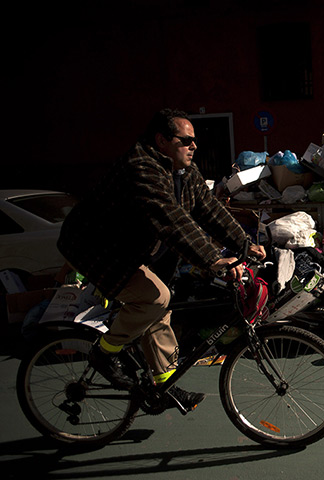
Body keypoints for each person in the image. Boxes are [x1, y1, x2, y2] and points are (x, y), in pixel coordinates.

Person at [57, 108, 266, 413]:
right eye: (186, 140)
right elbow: (171, 220)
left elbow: (210, 210)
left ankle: (164, 385)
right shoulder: (141, 168)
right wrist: (213, 260)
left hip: (131, 249)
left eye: (195, 141)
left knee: (160, 308)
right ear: (161, 140)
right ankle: (104, 353)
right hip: (95, 246)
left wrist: (244, 244)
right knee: (154, 298)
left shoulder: (184, 173)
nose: (194, 146)